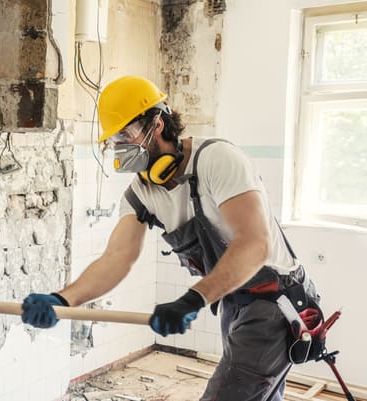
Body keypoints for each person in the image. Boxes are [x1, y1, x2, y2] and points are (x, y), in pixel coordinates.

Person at [21, 76, 321, 401]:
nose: (119, 146)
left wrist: (192, 300)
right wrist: (64, 300)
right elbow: (116, 258)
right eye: (113, 139)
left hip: (274, 303)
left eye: (126, 134)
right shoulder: (141, 193)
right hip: (234, 302)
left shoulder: (216, 159)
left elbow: (255, 243)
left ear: (158, 124)